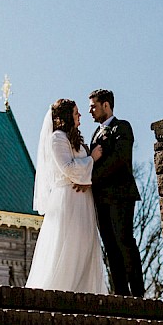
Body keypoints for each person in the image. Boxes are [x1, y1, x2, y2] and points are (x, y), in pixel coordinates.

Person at [26, 98, 107, 293]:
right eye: (76, 112)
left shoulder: (75, 139)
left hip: (83, 199)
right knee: (68, 246)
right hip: (68, 200)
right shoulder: (57, 138)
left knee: (85, 244)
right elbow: (67, 168)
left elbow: (77, 171)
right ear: (65, 117)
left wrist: (85, 177)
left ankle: (85, 290)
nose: (80, 116)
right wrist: (92, 159)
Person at [85, 88, 145, 297]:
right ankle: (121, 292)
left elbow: (119, 159)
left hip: (120, 195)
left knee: (124, 241)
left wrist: (92, 177)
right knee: (109, 246)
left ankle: (137, 291)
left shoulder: (123, 127)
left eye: (93, 106)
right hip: (101, 199)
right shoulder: (94, 135)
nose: (90, 110)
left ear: (106, 105)